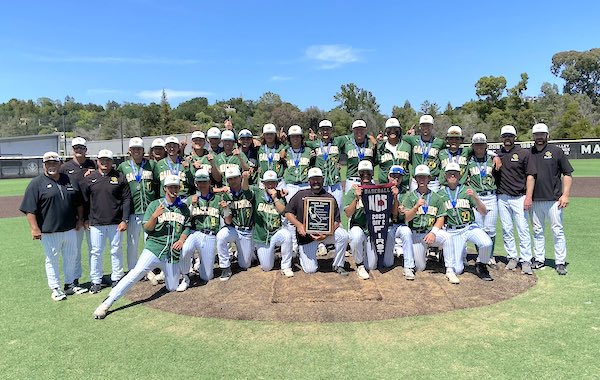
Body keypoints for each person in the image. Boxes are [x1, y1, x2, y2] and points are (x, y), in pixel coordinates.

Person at [93, 174, 190, 319]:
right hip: (154, 249)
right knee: (135, 273)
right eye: (171, 187)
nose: (174, 190)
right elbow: (147, 229)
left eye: (176, 187)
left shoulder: (183, 208)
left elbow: (186, 226)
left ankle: (163, 274)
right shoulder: (154, 205)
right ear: (165, 188)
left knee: (172, 287)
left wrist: (182, 240)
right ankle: (107, 302)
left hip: (171, 254)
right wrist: (154, 217)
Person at [20, 151, 87, 300]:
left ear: (60, 164)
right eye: (48, 164)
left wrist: (80, 219)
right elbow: (29, 209)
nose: (51, 166)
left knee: (71, 257)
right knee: (52, 259)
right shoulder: (36, 183)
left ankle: (70, 285)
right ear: (44, 165)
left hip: (70, 228)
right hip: (49, 231)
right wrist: (34, 228)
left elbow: (79, 203)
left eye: (54, 163)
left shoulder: (69, 180)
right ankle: (55, 288)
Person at [80, 149, 131, 294]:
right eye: (102, 160)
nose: (105, 163)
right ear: (97, 161)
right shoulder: (89, 178)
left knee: (116, 251)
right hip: (96, 223)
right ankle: (96, 280)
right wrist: (85, 219)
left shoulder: (119, 177)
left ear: (112, 162)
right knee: (96, 252)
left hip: (116, 222)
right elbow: (84, 201)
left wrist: (124, 220)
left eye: (108, 160)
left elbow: (126, 199)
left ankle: (117, 277)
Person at [284, 168, 349, 275]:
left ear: (322, 180)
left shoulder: (330, 197)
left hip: (325, 235)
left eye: (318, 179)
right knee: (310, 270)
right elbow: (288, 212)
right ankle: (302, 254)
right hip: (306, 237)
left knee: (343, 235)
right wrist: (299, 225)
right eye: (313, 179)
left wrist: (327, 233)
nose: (316, 182)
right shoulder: (300, 194)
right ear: (309, 181)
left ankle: (338, 264)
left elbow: (337, 221)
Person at [529, 123, 573, 275]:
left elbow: (567, 174)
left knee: (557, 231)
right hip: (534, 200)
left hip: (554, 200)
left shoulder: (556, 151)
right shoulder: (529, 153)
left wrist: (565, 194)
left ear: (547, 135)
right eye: (536, 135)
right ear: (533, 136)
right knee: (537, 231)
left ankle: (560, 262)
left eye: (542, 134)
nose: (539, 137)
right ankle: (539, 259)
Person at [439, 163, 493, 282]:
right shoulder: (440, 194)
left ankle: (481, 264)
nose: (452, 175)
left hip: (469, 227)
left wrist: (476, 198)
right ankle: (445, 254)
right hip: (453, 231)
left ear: (459, 175)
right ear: (445, 175)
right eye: (449, 173)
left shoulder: (467, 190)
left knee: (487, 243)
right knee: (457, 269)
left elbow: (483, 212)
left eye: (455, 173)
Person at [178, 169, 229, 290]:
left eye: (204, 182)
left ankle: (201, 266)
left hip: (210, 235)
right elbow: (186, 219)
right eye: (199, 182)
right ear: (196, 183)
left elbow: (228, 221)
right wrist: (192, 206)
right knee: (185, 249)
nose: (202, 185)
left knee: (207, 277)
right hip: (195, 232)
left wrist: (226, 209)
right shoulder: (192, 199)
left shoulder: (217, 199)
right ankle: (185, 277)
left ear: (209, 182)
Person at [495, 125, 536, 274]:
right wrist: (495, 157)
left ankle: (526, 260)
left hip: (519, 197)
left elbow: (530, 176)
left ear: (515, 137)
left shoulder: (523, 153)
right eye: (505, 136)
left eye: (510, 136)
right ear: (501, 138)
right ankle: (512, 257)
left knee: (523, 229)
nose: (507, 138)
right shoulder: (498, 154)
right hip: (503, 197)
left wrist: (529, 197)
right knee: (507, 229)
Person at [59, 136, 95, 289]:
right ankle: (74, 279)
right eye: (76, 148)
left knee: (95, 249)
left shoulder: (92, 164)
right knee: (75, 250)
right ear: (72, 150)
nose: (79, 150)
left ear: (86, 150)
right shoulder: (65, 167)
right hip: (75, 217)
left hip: (92, 214)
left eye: (81, 147)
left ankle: (96, 278)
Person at [401, 165, 449, 281]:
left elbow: (441, 216)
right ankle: (427, 253)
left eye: (424, 177)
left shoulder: (436, 197)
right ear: (415, 179)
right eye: (419, 177)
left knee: (448, 237)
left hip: (430, 233)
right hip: (417, 234)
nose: (422, 180)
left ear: (429, 179)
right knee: (420, 267)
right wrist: (416, 207)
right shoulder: (409, 197)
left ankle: (449, 267)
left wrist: (433, 232)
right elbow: (406, 218)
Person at [117, 137, 157, 272]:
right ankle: (133, 270)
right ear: (129, 151)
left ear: (143, 150)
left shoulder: (151, 165)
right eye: (134, 149)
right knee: (132, 243)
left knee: (150, 241)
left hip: (149, 209)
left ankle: (151, 268)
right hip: (133, 210)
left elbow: (158, 184)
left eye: (139, 149)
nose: (136, 151)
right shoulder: (123, 167)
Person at [245, 170, 294, 277]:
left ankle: (286, 266)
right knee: (267, 267)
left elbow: (283, 212)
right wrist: (245, 178)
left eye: (273, 182)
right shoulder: (257, 193)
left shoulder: (280, 195)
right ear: (263, 183)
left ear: (277, 183)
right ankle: (271, 254)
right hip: (262, 237)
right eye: (268, 182)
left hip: (276, 232)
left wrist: (275, 198)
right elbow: (245, 189)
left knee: (287, 235)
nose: (271, 185)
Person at [465, 133, 499, 268]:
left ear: (486, 145)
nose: (479, 147)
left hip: (491, 196)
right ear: (472, 146)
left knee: (490, 229)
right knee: (478, 228)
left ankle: (490, 256)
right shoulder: (468, 160)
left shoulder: (492, 159)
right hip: (476, 197)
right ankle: (481, 256)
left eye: (481, 144)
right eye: (476, 144)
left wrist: (496, 156)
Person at [215, 167, 255, 281]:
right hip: (234, 229)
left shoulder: (250, 191)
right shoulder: (225, 196)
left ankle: (249, 252)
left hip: (247, 231)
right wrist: (226, 209)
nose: (232, 181)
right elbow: (228, 221)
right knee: (221, 236)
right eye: (229, 179)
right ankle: (225, 267)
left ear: (240, 178)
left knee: (245, 265)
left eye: (235, 178)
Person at [344, 160, 380, 279]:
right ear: (358, 174)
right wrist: (356, 198)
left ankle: (365, 251)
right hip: (358, 226)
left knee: (372, 265)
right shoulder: (353, 190)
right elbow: (348, 214)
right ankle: (359, 264)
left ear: (372, 174)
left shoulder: (378, 190)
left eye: (368, 173)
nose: (365, 175)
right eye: (362, 173)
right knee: (356, 235)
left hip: (372, 229)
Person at [305, 119, 344, 212]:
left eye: (327, 129)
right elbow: (296, 143)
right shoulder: (314, 144)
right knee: (322, 210)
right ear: (319, 131)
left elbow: (352, 138)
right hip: (321, 183)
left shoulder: (338, 141)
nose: (325, 132)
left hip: (335, 182)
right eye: (323, 129)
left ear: (331, 130)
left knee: (337, 209)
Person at [403, 115, 445, 191]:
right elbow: (399, 139)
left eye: (428, 125)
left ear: (432, 126)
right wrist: (407, 134)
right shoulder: (413, 139)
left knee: (432, 202)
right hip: (416, 180)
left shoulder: (440, 142)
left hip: (432, 181)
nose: (426, 128)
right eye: (423, 125)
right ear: (420, 127)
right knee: (415, 202)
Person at [385, 165, 412, 262]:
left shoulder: (406, 194)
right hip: (386, 227)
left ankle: (409, 266)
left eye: (399, 177)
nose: (396, 179)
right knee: (387, 263)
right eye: (393, 176)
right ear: (388, 176)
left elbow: (396, 214)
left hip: (399, 225)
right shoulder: (381, 190)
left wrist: (396, 198)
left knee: (407, 231)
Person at [339, 119, 377, 191]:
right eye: (356, 129)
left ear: (365, 130)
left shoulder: (371, 143)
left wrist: (375, 142)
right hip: (352, 180)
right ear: (353, 130)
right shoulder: (347, 143)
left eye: (361, 129)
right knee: (350, 201)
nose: (359, 132)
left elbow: (377, 159)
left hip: (368, 179)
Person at [375, 118, 411, 188]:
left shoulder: (407, 146)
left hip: (403, 188)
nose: (392, 131)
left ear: (399, 130)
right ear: (385, 131)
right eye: (389, 129)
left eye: (395, 129)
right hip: (385, 187)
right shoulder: (380, 148)